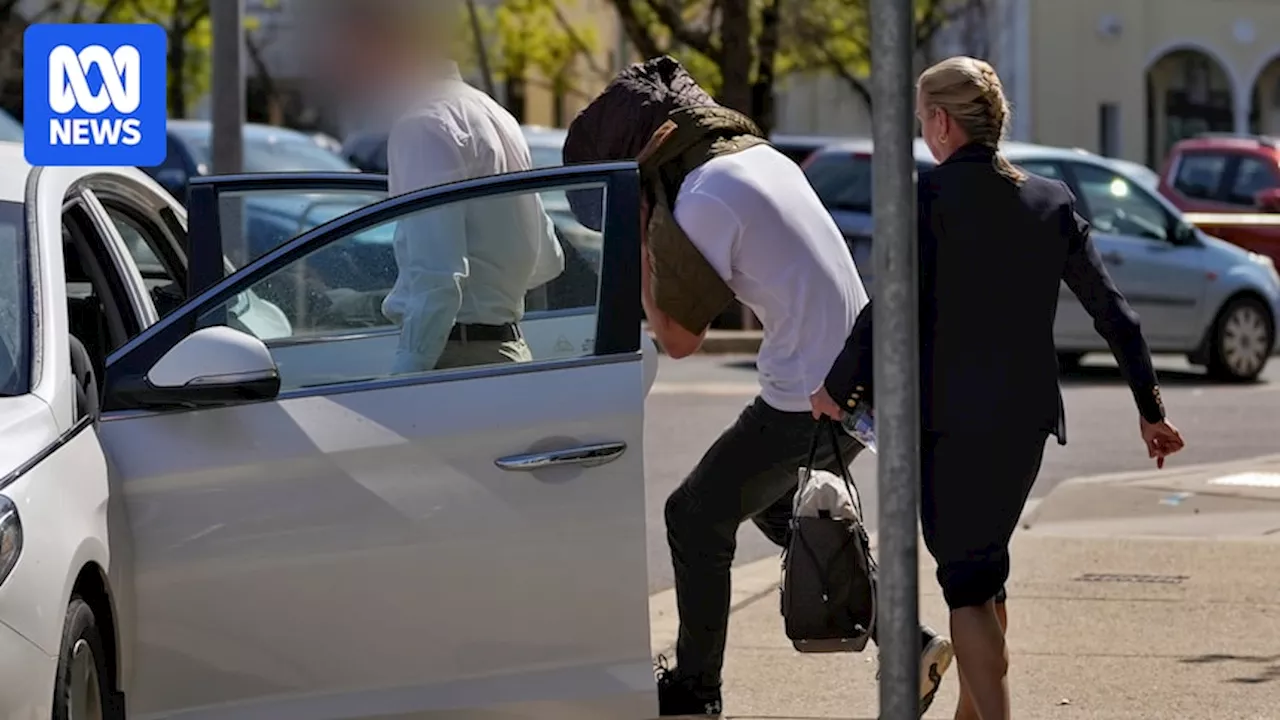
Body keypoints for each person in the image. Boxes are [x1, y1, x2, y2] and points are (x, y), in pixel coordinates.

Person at [563, 56, 954, 718]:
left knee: (693, 517)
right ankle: (908, 643)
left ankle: (694, 694)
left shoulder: (702, 199)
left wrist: (636, 235)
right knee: (782, 509)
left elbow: (681, 341)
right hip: (862, 373)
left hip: (813, 390)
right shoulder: (757, 159)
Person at [812, 56, 1187, 720]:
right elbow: (1114, 312)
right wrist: (1150, 409)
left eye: (924, 118)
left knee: (965, 585)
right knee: (987, 573)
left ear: (941, 120)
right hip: (1023, 426)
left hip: (948, 430)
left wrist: (839, 386)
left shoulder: (923, 200)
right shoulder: (1049, 201)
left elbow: (887, 307)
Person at [315, 0, 564, 373]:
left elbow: (438, 278)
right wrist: (492, 295)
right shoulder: (497, 115)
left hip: (456, 362)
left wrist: (404, 380)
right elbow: (546, 258)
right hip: (505, 352)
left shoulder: (423, 125)